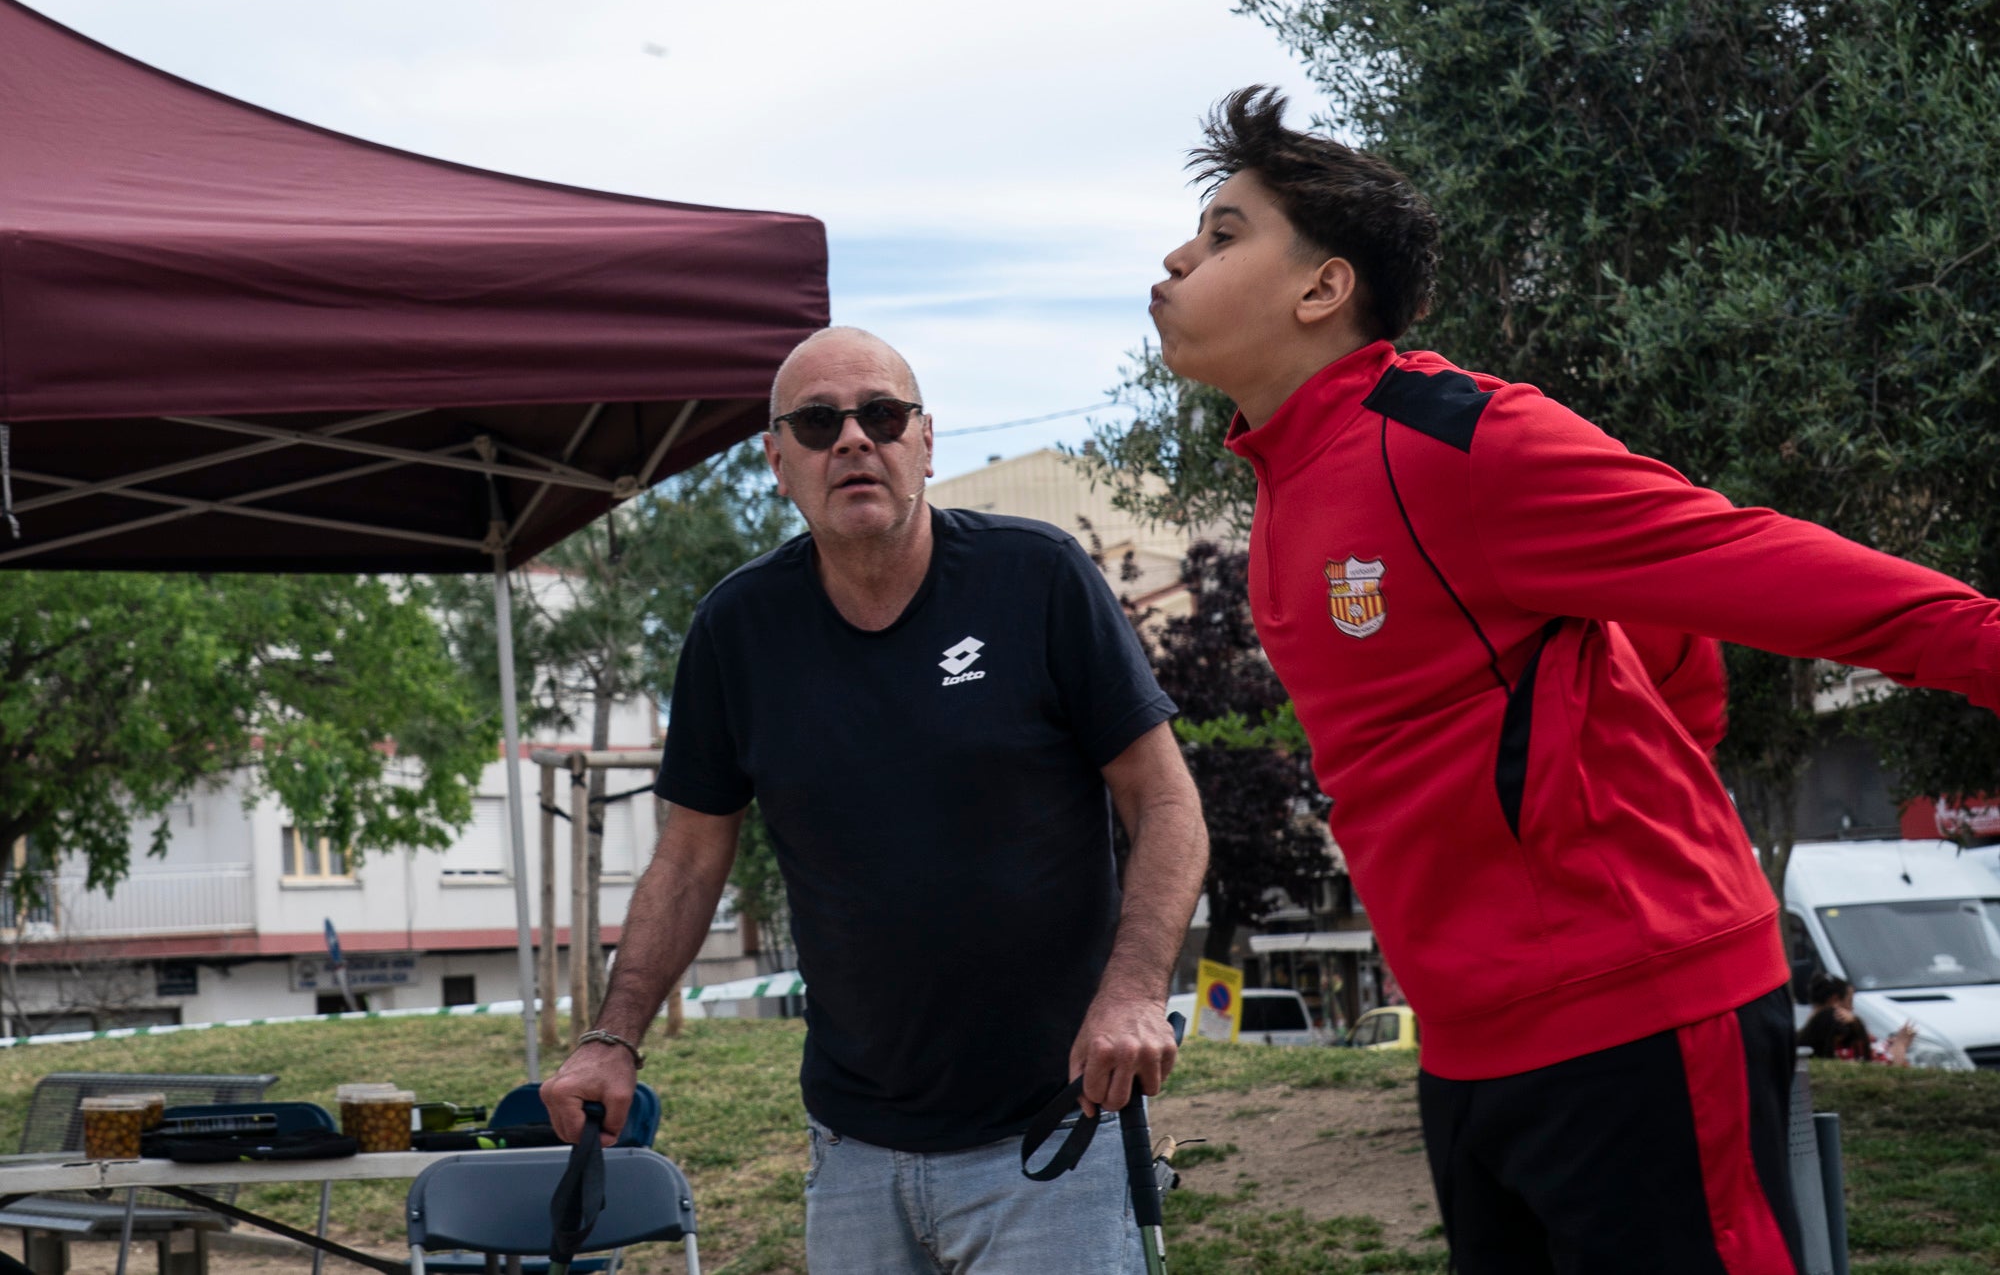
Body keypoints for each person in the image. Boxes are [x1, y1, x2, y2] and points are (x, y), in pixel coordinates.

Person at [1146, 86, 2000, 1274]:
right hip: (1464, 1041)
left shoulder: (1458, 440)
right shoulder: (1288, 477)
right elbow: (1661, 656)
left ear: (1320, 288)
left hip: (1637, 1008)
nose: (1177, 257)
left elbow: (1731, 559)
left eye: (1222, 232)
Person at [540, 326, 1209, 1272]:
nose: (853, 439)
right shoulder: (737, 628)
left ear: (925, 444)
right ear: (779, 462)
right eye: (818, 422)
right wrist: (613, 1037)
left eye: (882, 415)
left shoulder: (1039, 578)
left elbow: (1167, 804)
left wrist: (1136, 991)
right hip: (852, 1149)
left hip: (1056, 1132)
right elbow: (690, 857)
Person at [1799, 974, 1914, 1065]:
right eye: (1850, 1001)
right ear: (1834, 1001)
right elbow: (1882, 1066)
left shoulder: (1801, 1037)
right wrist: (1900, 1045)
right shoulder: (1841, 1039)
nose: (1852, 1008)